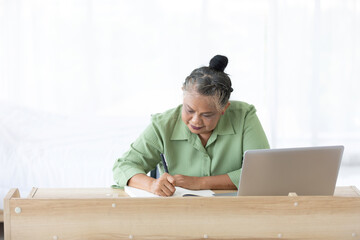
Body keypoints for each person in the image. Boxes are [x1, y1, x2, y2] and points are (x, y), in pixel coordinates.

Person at [113, 55, 269, 196]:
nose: (195, 121)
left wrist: (199, 183)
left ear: (224, 109)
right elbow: (123, 166)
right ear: (183, 95)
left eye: (207, 115)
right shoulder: (163, 125)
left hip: (235, 213)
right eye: (189, 110)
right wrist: (152, 184)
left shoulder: (245, 116)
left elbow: (263, 171)